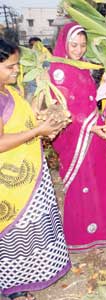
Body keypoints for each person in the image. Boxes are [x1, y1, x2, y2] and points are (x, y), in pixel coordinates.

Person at [0, 39, 71, 300]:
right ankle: (14, 288)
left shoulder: (10, 92)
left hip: (30, 174)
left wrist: (45, 123)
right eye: (10, 66)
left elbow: (22, 123)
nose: (16, 71)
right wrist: (37, 131)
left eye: (17, 65)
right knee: (13, 233)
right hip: (10, 182)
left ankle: (32, 275)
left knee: (32, 231)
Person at [49, 22, 106, 252]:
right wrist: (89, 126)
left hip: (92, 132)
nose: (78, 50)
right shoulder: (58, 70)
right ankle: (80, 236)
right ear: (64, 43)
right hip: (76, 136)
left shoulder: (81, 66)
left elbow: (89, 100)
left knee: (97, 181)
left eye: (82, 45)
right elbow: (62, 107)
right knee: (82, 184)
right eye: (74, 45)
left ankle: (100, 233)